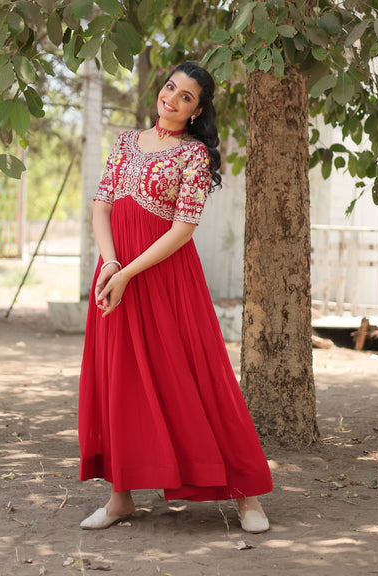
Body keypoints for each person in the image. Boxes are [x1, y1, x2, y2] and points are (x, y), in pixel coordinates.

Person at [78, 61, 273, 533]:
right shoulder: (126, 141)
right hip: (115, 274)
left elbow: (183, 229)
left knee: (196, 377)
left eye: (186, 96)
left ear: (197, 110)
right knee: (118, 380)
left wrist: (129, 273)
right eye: (171, 88)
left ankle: (247, 495)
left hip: (165, 278)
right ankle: (120, 495)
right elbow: (102, 205)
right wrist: (110, 266)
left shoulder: (193, 155)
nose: (172, 98)